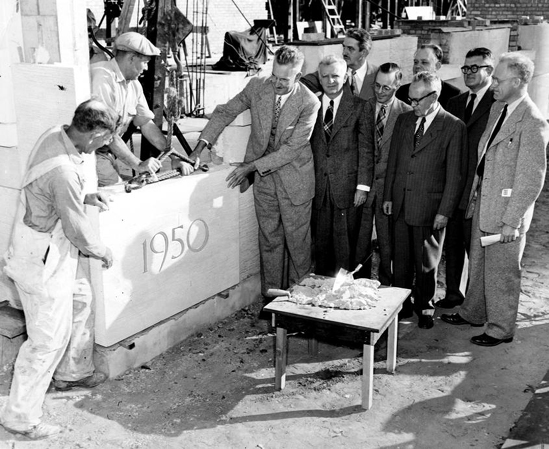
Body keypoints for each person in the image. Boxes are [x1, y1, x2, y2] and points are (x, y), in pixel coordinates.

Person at [1, 100, 117, 439]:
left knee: (80, 298)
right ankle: (20, 417)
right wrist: (103, 251)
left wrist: (87, 196)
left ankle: (72, 372)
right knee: (46, 340)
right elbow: (77, 231)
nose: (103, 146)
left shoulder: (56, 133)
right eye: (103, 140)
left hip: (45, 243)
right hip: (41, 256)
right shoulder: (63, 171)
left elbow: (58, 191)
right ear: (93, 132)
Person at [190, 45, 320, 296]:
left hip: (296, 181)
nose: (277, 83)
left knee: (298, 244)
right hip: (264, 182)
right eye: (274, 76)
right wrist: (200, 147)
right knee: (269, 239)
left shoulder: (309, 102)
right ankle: (271, 300)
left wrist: (251, 167)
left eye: (284, 80)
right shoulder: (257, 86)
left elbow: (292, 148)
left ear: (298, 77)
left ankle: (298, 305)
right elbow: (225, 112)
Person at [441, 53, 549, 346]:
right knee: (478, 265)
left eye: (498, 80)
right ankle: (473, 312)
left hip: (506, 213)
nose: (493, 85)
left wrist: (511, 220)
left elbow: (531, 179)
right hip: (483, 202)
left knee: (502, 273)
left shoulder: (533, 121)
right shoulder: (498, 108)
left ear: (517, 81)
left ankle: (501, 328)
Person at [383, 72, 466, 329]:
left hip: (430, 207)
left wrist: (445, 211)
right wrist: (388, 196)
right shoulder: (404, 120)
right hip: (400, 203)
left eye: (418, 100)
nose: (413, 104)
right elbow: (394, 162)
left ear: (434, 96)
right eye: (410, 99)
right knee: (402, 260)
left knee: (426, 262)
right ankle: (402, 304)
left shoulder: (453, 126)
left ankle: (425, 306)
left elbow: (456, 174)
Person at [91, 31, 194, 186]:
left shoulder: (134, 85)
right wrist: (138, 164)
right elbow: (106, 131)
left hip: (107, 153)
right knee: (119, 195)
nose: (146, 68)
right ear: (132, 58)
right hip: (89, 153)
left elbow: (147, 124)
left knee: (124, 191)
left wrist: (174, 157)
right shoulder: (103, 78)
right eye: (145, 62)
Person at [437, 48, 496, 309]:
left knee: (476, 248)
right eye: (466, 68)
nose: (469, 73)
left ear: (489, 71)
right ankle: (452, 293)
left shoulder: (497, 103)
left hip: (479, 187)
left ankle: (475, 302)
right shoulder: (455, 103)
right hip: (453, 185)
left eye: (475, 67)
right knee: (453, 243)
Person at [309, 55, 372, 276]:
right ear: (319, 77)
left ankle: (348, 294)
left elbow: (366, 149)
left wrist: (362, 187)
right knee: (322, 245)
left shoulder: (360, 107)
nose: (330, 81)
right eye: (325, 76)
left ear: (345, 76)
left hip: (347, 189)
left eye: (335, 75)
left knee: (347, 246)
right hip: (319, 188)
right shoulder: (311, 105)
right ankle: (324, 291)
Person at [355, 63, 412, 284]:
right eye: (376, 86)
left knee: (388, 245)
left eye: (386, 88)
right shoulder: (363, 108)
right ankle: (360, 285)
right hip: (364, 188)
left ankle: (388, 288)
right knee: (360, 243)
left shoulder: (407, 113)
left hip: (389, 191)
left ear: (398, 85)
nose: (379, 92)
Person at [300, 28, 379, 101]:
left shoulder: (378, 75)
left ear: (363, 52)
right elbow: (304, 84)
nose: (344, 52)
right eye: (344, 47)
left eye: (350, 49)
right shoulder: (334, 70)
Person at [396, 44, 462, 109]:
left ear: (437, 66)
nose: (417, 66)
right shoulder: (402, 92)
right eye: (416, 62)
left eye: (424, 62)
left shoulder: (454, 95)